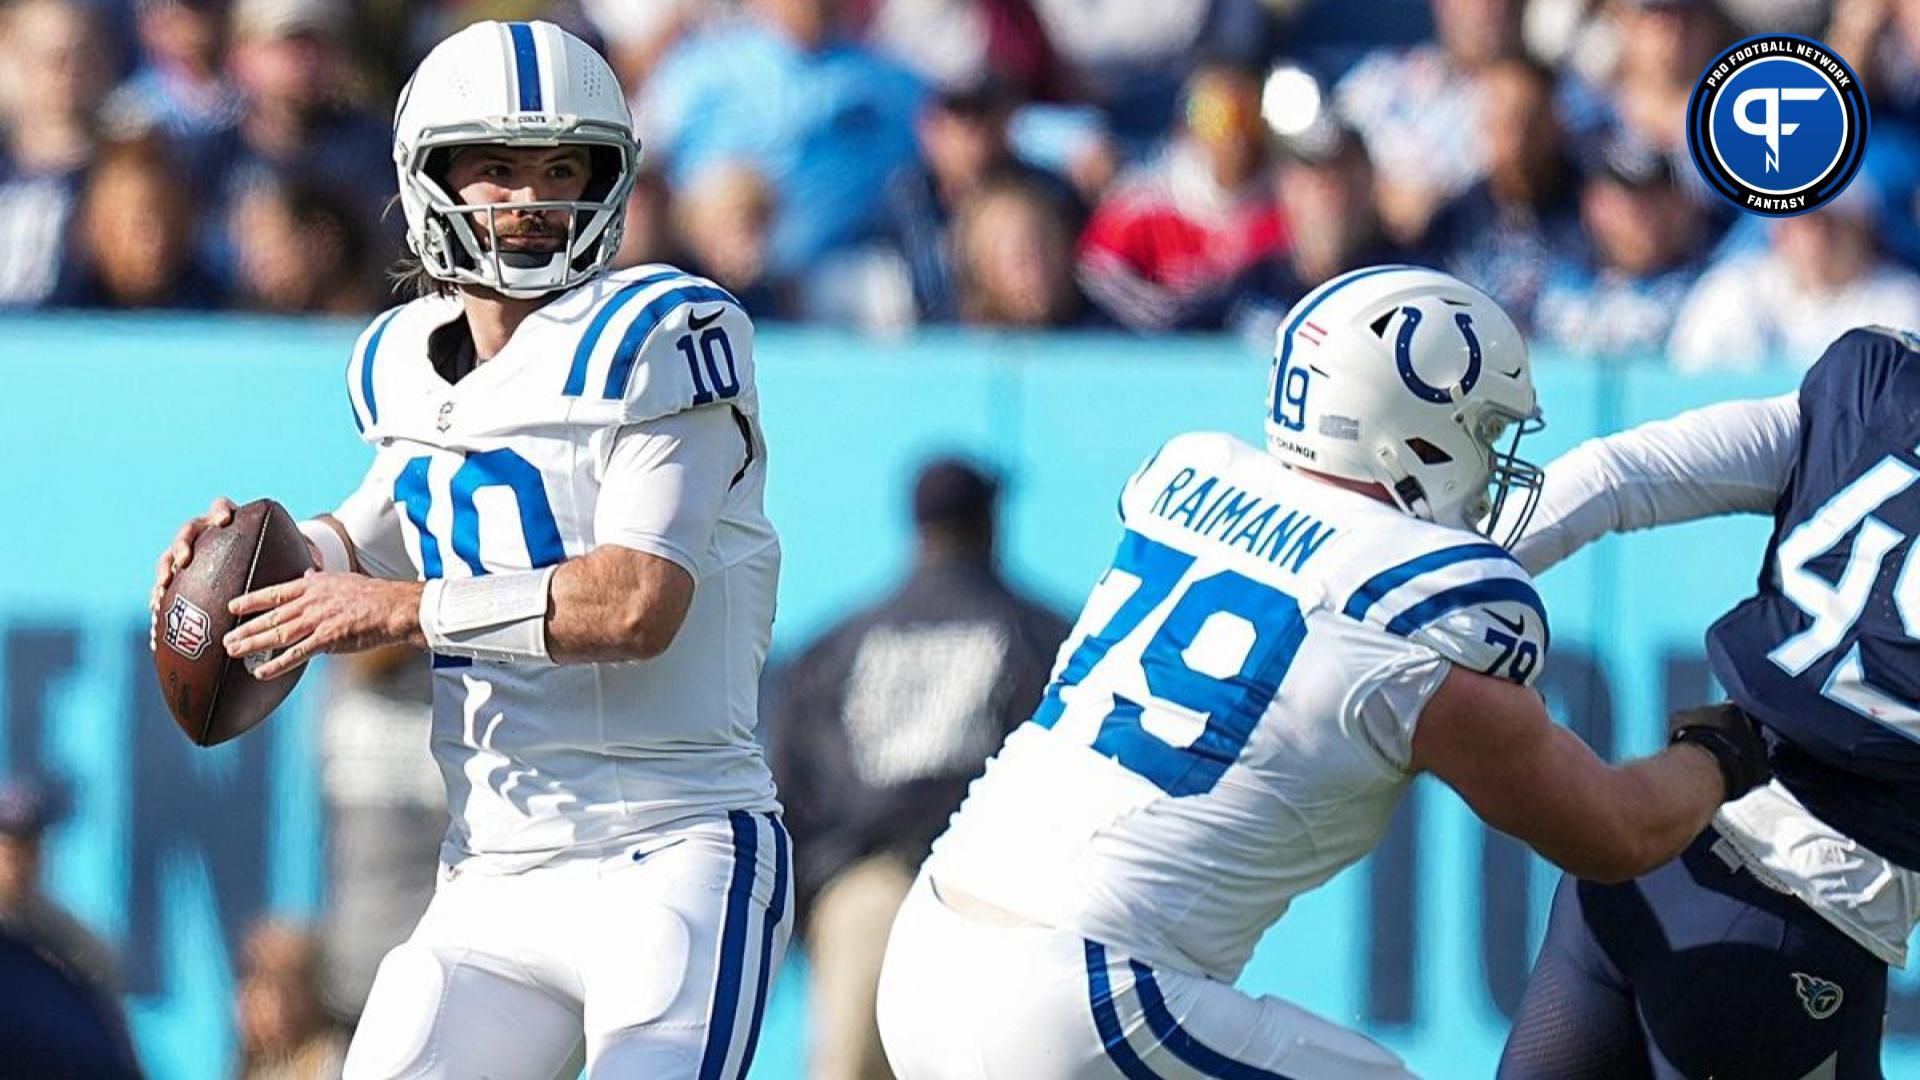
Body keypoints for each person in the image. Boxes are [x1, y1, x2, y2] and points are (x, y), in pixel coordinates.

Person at [873, 265, 1771, 1079]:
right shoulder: (1418, 624)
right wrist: (1724, 749)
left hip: (929, 948)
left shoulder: (1190, 496)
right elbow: (1614, 833)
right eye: (1484, 428)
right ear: (1412, 434)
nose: (1495, 463)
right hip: (1087, 997)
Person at [149, 21, 787, 1079]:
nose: (532, 199)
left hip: (671, 847)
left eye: (562, 169)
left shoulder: (663, 334)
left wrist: (405, 610)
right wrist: (235, 565)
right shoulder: (400, 360)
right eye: (497, 168)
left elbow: (636, 604)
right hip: (493, 870)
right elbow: (374, 526)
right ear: (430, 175)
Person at [1497, 326, 1920, 1079]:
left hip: (1649, 851)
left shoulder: (1875, 381)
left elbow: (1617, 474)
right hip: (1798, 928)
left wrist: (1432, 590)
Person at [773, 458, 1071, 1080]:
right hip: (991, 899)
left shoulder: (838, 643)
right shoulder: (1045, 636)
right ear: (989, 522)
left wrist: (809, 910)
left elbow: (789, 791)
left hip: (866, 893)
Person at [234, 921, 350, 1080]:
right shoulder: (250, 1064)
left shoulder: (334, 1062)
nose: (249, 1001)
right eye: (251, 983)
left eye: (282, 988)